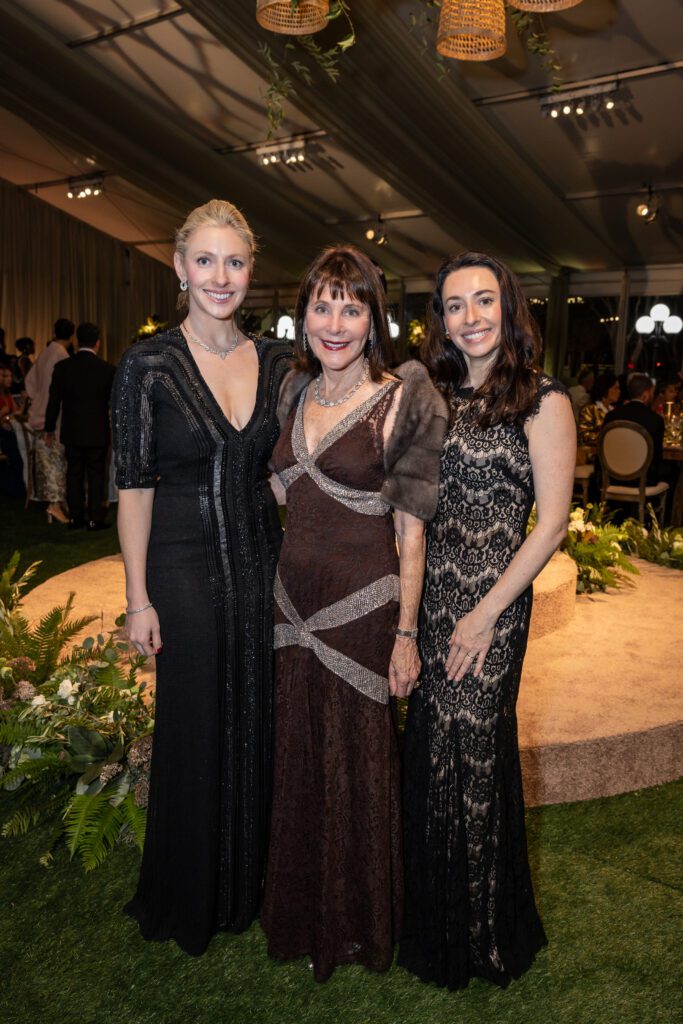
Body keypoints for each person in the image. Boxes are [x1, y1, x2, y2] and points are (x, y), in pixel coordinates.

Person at [111, 199, 293, 956]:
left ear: (251, 271)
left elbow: (292, 471)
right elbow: (134, 485)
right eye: (207, 261)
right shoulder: (147, 364)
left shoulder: (280, 363)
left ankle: (252, 882)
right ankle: (188, 893)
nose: (221, 276)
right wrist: (137, 598)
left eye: (236, 261)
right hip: (180, 572)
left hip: (263, 568)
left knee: (259, 718)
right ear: (180, 267)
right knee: (192, 727)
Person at [261, 245, 448, 981]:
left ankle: (357, 925)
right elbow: (285, 492)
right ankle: (301, 912)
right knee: (300, 757)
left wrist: (406, 635)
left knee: (356, 766)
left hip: (362, 607)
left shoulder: (403, 398)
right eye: (322, 305)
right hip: (289, 605)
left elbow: (410, 530)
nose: (334, 322)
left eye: (352, 306)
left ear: (373, 319)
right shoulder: (294, 393)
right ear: (303, 314)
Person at [399, 252, 575, 990]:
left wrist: (482, 617)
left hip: (491, 609)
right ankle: (433, 925)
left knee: (473, 757)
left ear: (508, 307)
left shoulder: (541, 399)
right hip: (434, 599)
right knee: (431, 753)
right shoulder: (433, 394)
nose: (469, 317)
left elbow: (551, 525)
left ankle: (484, 936)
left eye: (483, 301)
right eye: (453, 305)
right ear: (438, 317)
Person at [44, 322, 116, 530]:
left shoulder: (63, 368)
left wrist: (49, 428)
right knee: (96, 475)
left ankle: (76, 517)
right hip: (97, 430)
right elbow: (114, 403)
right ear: (98, 343)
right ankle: (95, 518)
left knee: (73, 473)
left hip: (72, 430)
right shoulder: (107, 370)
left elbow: (54, 400)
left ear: (77, 341)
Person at [24, 318, 74, 523]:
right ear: (71, 337)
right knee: (56, 463)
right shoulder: (61, 355)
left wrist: (38, 399)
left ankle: (58, 503)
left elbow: (29, 381)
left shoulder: (45, 353)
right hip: (53, 416)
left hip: (39, 413)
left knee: (50, 462)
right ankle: (54, 505)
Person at [603, 373, 667, 486]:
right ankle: (655, 503)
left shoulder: (611, 416)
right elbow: (656, 456)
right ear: (646, 395)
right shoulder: (655, 420)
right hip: (643, 480)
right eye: (652, 392)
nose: (653, 395)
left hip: (612, 477)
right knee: (672, 470)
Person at [577, 370, 620, 446]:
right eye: (615, 388)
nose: (619, 391)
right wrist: (607, 437)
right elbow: (584, 435)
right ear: (606, 389)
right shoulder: (589, 409)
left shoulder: (615, 410)